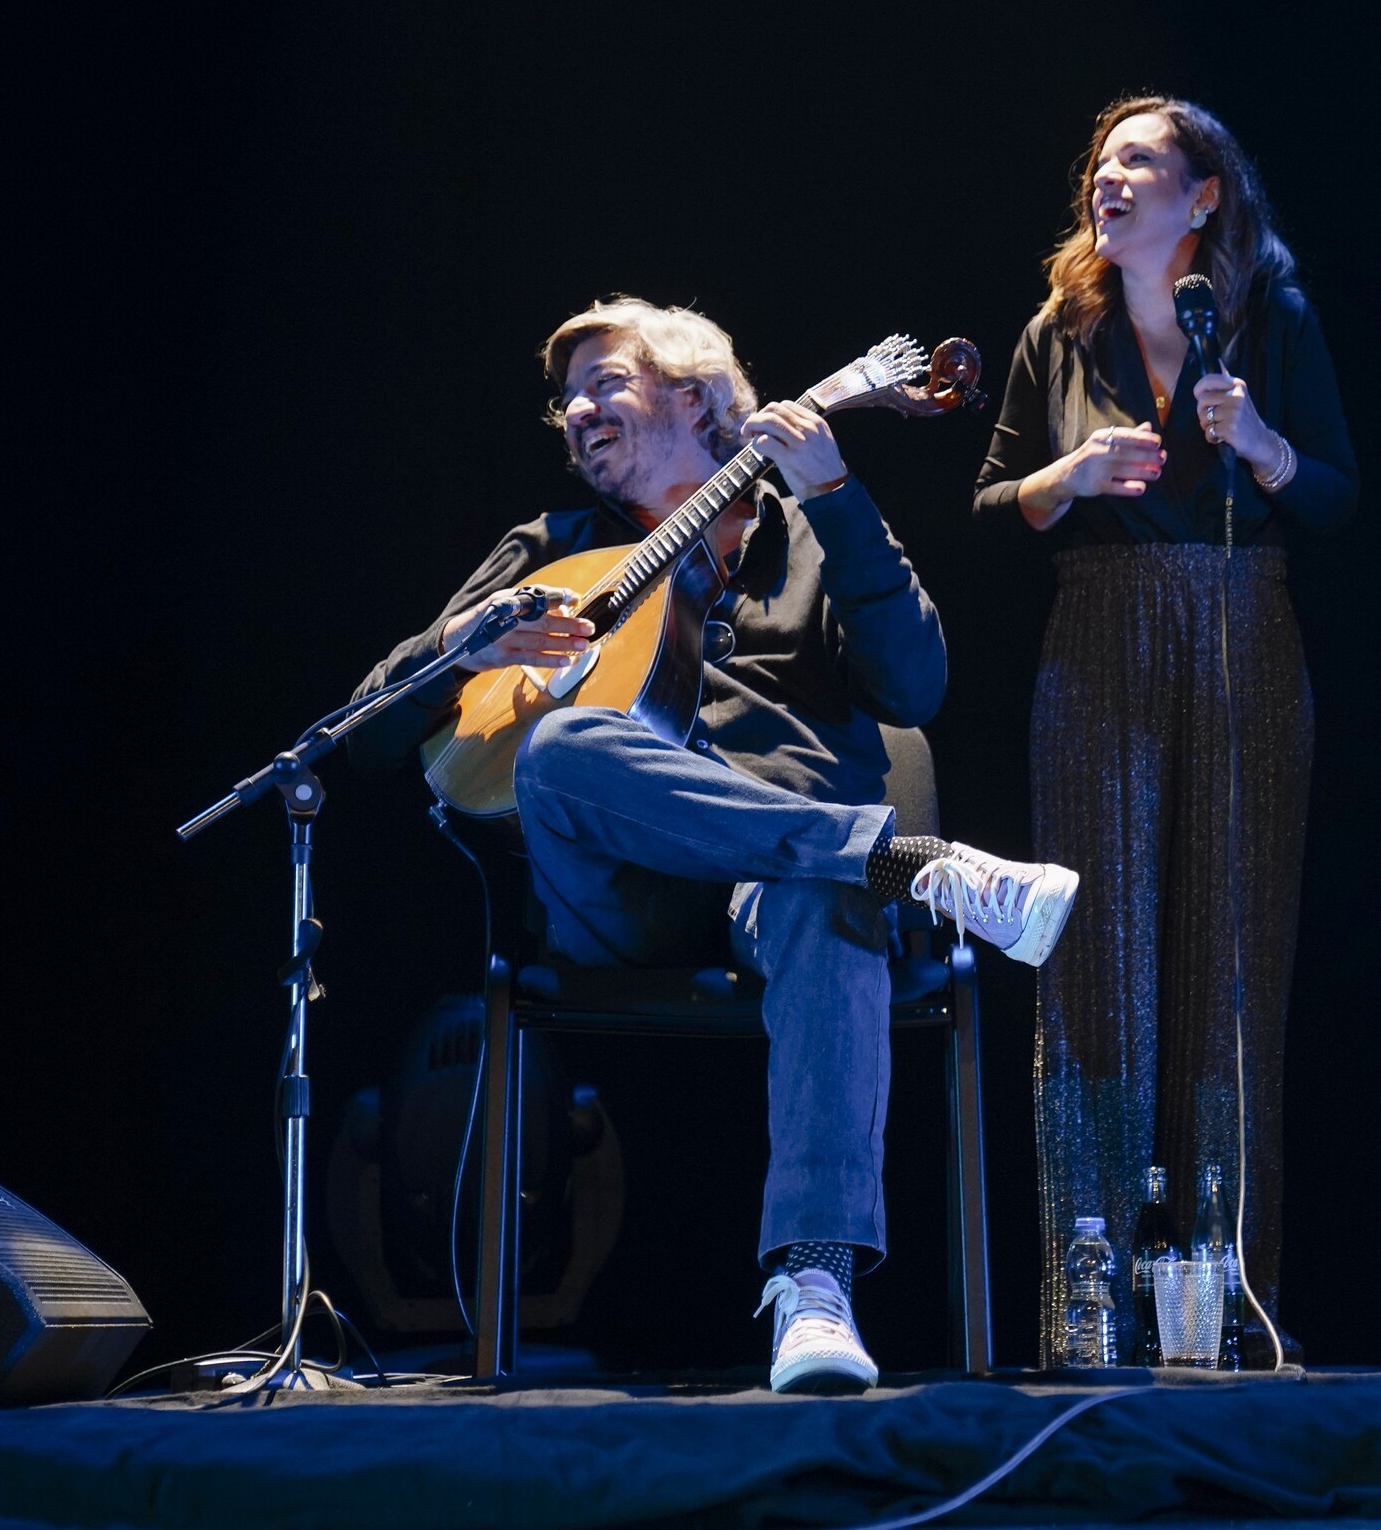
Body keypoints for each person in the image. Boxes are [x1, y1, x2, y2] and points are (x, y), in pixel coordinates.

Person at [350, 298, 1078, 1393]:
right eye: (567, 398)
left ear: (695, 399)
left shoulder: (808, 536)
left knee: (823, 896)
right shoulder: (553, 551)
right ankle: (904, 860)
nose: (576, 411)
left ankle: (815, 1285)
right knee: (562, 749)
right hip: (621, 895)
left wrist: (837, 494)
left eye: (605, 382)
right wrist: (464, 644)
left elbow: (915, 688)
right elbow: (366, 733)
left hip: (781, 888)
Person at [973, 97, 1357, 1366]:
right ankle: (1089, 1297)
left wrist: (1266, 448)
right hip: (1100, 633)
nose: (1109, 175)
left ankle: (1222, 1291)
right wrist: (1068, 478)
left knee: (1229, 961)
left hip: (1244, 629)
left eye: (1139, 159)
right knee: (1097, 962)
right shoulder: (1058, 331)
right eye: (1101, 159)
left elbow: (1337, 494)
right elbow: (993, 500)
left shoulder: (1268, 319)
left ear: (1203, 197)